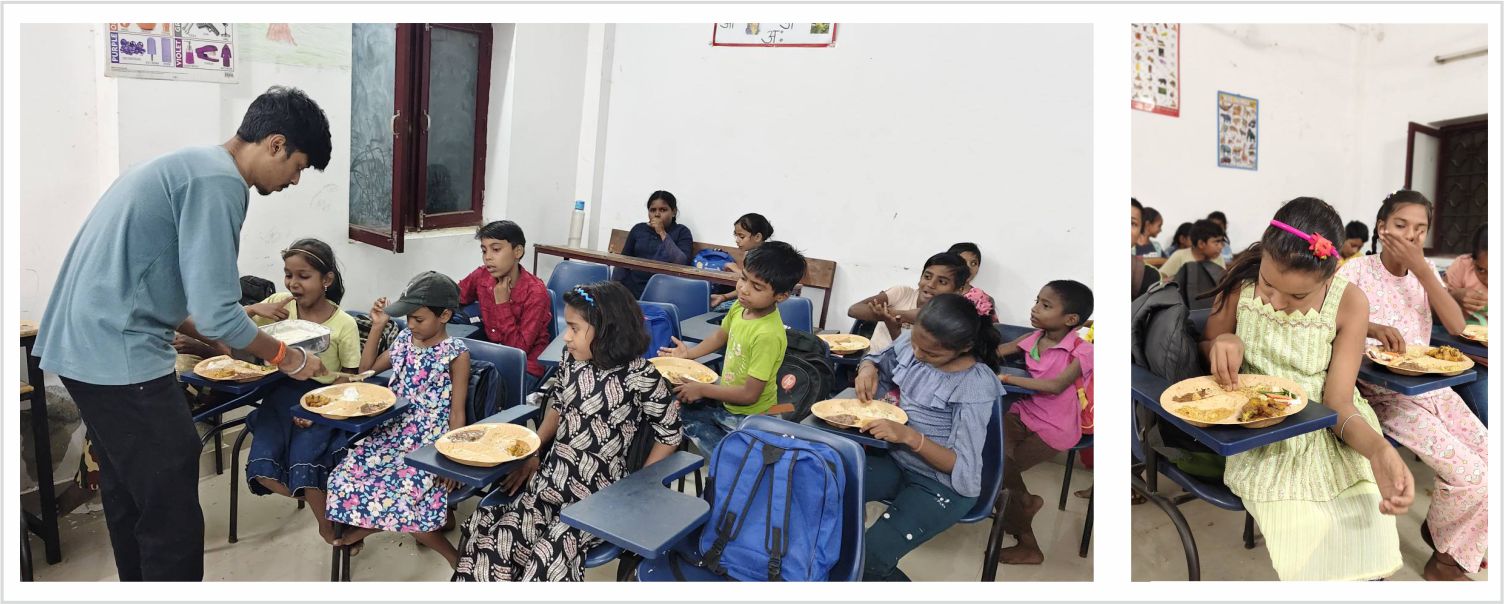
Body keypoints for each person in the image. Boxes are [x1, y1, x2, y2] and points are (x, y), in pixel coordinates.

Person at [33, 86, 331, 581]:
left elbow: (150, 287)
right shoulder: (220, 182)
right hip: (119, 358)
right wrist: (289, 357)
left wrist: (218, 336)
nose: (295, 180)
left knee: (132, 493)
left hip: (83, 350)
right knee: (171, 510)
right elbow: (219, 315)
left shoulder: (186, 165)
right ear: (276, 144)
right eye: (298, 167)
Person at [1200, 197, 1413, 580]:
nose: (1278, 302)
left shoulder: (1349, 302)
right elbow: (1207, 342)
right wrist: (1222, 342)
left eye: (1298, 296)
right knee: (1305, 529)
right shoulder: (1240, 285)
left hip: (1330, 426)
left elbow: (1339, 402)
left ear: (1329, 276)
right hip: (1261, 431)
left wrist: (1379, 450)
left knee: (1368, 520)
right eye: (1268, 285)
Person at [454, 282, 682, 581]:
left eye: (574, 328)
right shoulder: (572, 360)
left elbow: (669, 434)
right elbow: (558, 405)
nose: (566, 336)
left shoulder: (642, 376)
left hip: (597, 495)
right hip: (551, 480)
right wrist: (533, 450)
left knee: (548, 556)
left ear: (607, 329)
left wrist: (638, 487)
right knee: (495, 543)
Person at [1337, 190, 1485, 580]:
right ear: (1382, 227)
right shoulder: (1356, 270)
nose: (1410, 235)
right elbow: (1327, 318)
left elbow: (1457, 326)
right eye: (1401, 225)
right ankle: (1446, 560)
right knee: (1471, 474)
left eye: (1420, 229)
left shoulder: (1425, 271)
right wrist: (1370, 326)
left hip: (1432, 388)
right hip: (1385, 395)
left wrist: (1422, 270)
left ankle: (1443, 537)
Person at [853, 293, 1004, 580]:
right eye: (915, 344)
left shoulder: (974, 385)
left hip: (943, 484)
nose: (918, 355)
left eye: (931, 354)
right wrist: (867, 369)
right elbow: (878, 357)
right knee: (828, 487)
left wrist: (910, 437)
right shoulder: (918, 344)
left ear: (965, 347)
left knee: (869, 560)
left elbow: (960, 466)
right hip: (899, 460)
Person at [326, 271, 471, 567]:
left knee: (405, 494)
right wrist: (378, 327)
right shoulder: (405, 339)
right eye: (408, 318)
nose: (411, 325)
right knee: (343, 476)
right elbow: (365, 372)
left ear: (444, 315)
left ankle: (454, 559)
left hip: (431, 442)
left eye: (418, 319)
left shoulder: (455, 353)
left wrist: (452, 460)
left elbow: (457, 412)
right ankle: (391, 525)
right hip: (393, 431)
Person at [242, 239, 361, 545]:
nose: (293, 283)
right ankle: (330, 504)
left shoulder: (344, 324)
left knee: (306, 462)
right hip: (279, 394)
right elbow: (231, 328)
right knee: (263, 471)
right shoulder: (280, 306)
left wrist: (319, 410)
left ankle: (327, 525)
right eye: (288, 274)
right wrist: (253, 308)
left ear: (327, 280)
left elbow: (350, 381)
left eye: (303, 276)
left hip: (324, 401)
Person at [657, 241, 807, 454]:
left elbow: (749, 395)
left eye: (757, 287)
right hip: (728, 398)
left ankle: (728, 462)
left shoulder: (767, 335)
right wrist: (689, 354)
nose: (743, 289)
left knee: (724, 452)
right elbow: (720, 335)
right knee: (671, 405)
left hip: (752, 416)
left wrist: (701, 389)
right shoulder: (740, 307)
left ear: (781, 296)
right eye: (743, 278)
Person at [994, 280, 1094, 565]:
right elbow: (998, 352)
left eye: (1046, 305)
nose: (1035, 308)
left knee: (999, 473)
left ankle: (1029, 544)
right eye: (1037, 301)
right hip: (1024, 412)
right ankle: (1026, 502)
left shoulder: (1082, 351)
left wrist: (1007, 378)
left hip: (1056, 428)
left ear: (1070, 319)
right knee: (995, 459)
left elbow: (1055, 386)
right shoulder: (1033, 338)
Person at [457, 220, 552, 391]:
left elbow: (517, 350)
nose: (488, 257)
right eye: (484, 250)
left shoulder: (536, 292)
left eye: (496, 249)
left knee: (480, 393)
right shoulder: (482, 275)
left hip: (524, 366)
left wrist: (502, 304)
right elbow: (455, 296)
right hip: (491, 356)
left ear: (517, 251)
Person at [847, 253, 970, 354]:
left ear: (958, 290)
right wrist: (901, 315)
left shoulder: (951, 318)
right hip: (872, 362)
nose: (931, 284)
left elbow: (910, 358)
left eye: (942, 282)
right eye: (927, 277)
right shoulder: (902, 293)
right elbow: (854, 310)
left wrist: (890, 316)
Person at [619, 190, 694, 297]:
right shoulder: (638, 229)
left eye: (663, 210)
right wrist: (615, 289)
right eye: (652, 210)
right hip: (633, 289)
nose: (657, 214)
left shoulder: (682, 232)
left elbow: (682, 262)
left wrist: (662, 232)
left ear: (673, 212)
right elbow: (622, 262)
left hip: (665, 291)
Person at [710, 213, 775, 311]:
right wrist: (724, 297)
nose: (737, 240)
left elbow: (754, 283)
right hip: (747, 299)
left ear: (757, 237)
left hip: (758, 305)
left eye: (741, 236)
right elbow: (745, 288)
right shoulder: (748, 254)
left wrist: (735, 268)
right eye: (736, 236)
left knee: (718, 309)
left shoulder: (765, 257)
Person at [1444, 223, 1489, 322]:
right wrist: (1454, 296)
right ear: (1473, 259)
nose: (1487, 280)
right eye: (1481, 270)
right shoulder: (1463, 266)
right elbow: (1435, 307)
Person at [1158, 219, 1226, 283]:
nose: (1221, 246)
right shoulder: (1180, 256)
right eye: (1216, 242)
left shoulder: (1219, 258)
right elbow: (1160, 279)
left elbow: (1222, 282)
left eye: (1221, 242)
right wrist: (1178, 278)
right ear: (1201, 244)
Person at [948, 242, 999, 323]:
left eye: (973, 263)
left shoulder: (983, 300)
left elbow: (993, 329)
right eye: (963, 262)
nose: (969, 268)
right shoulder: (935, 291)